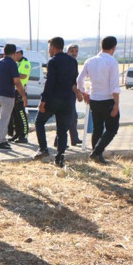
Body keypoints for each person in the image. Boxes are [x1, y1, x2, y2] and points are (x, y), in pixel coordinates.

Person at [33, 37, 79, 168]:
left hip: (54, 99)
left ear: (53, 47)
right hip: (68, 100)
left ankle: (43, 149)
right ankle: (60, 157)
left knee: (39, 122)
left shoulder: (53, 62)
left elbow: (50, 82)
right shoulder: (73, 61)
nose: (48, 51)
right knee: (62, 130)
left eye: (49, 48)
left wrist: (43, 100)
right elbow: (73, 81)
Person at [77, 36, 121, 164]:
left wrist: (84, 92)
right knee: (112, 128)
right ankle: (96, 152)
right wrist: (116, 104)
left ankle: (97, 155)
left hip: (94, 99)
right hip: (108, 99)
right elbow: (114, 86)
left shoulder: (90, 61)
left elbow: (79, 80)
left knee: (97, 128)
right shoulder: (112, 62)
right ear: (113, 48)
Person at [0, 44, 27, 150]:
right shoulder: (12, 64)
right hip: (7, 95)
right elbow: (17, 81)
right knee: (4, 119)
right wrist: (23, 95)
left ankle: (2, 140)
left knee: (3, 118)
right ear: (14, 53)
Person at [8, 47, 31, 143]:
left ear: (20, 53)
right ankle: (17, 133)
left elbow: (24, 75)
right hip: (14, 90)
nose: (14, 55)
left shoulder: (25, 63)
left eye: (15, 53)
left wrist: (12, 74)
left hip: (20, 90)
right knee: (15, 114)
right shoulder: (16, 63)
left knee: (21, 113)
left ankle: (24, 135)